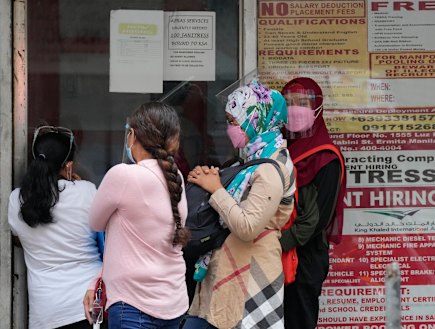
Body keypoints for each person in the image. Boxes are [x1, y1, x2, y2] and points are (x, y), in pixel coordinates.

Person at [183, 80, 295, 329]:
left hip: (251, 280)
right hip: (227, 274)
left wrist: (216, 189)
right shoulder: (249, 160)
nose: (229, 128)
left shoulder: (271, 168)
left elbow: (247, 227)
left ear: (256, 119)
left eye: (234, 121)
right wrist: (207, 181)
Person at [83, 102, 190, 328]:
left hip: (133, 304)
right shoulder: (175, 176)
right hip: (174, 301)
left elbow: (95, 221)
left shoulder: (122, 175)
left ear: (132, 135)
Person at [8, 125, 102, 329]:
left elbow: (18, 238)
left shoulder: (17, 200)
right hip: (87, 306)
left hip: (45, 313)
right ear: (68, 165)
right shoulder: (87, 192)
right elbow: (103, 231)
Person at [279, 77, 346, 329]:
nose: (295, 109)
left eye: (303, 102)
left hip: (303, 259)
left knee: (299, 320)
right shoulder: (280, 148)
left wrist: (277, 245)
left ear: (317, 108)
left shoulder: (326, 158)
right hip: (275, 256)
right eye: (288, 103)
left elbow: (317, 220)